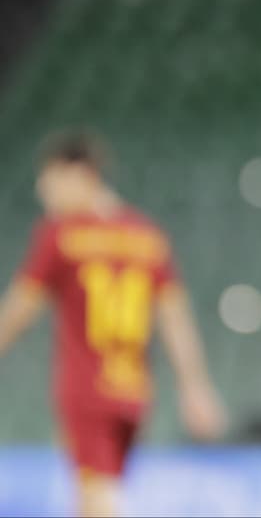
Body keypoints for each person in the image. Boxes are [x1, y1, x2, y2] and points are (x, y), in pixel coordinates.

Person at [0, 130, 225, 518]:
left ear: (80, 175)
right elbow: (175, 319)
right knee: (97, 493)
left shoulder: (63, 236)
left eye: (50, 181)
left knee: (98, 500)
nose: (44, 192)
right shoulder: (148, 237)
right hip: (134, 391)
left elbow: (18, 311)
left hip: (86, 388)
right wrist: (195, 386)